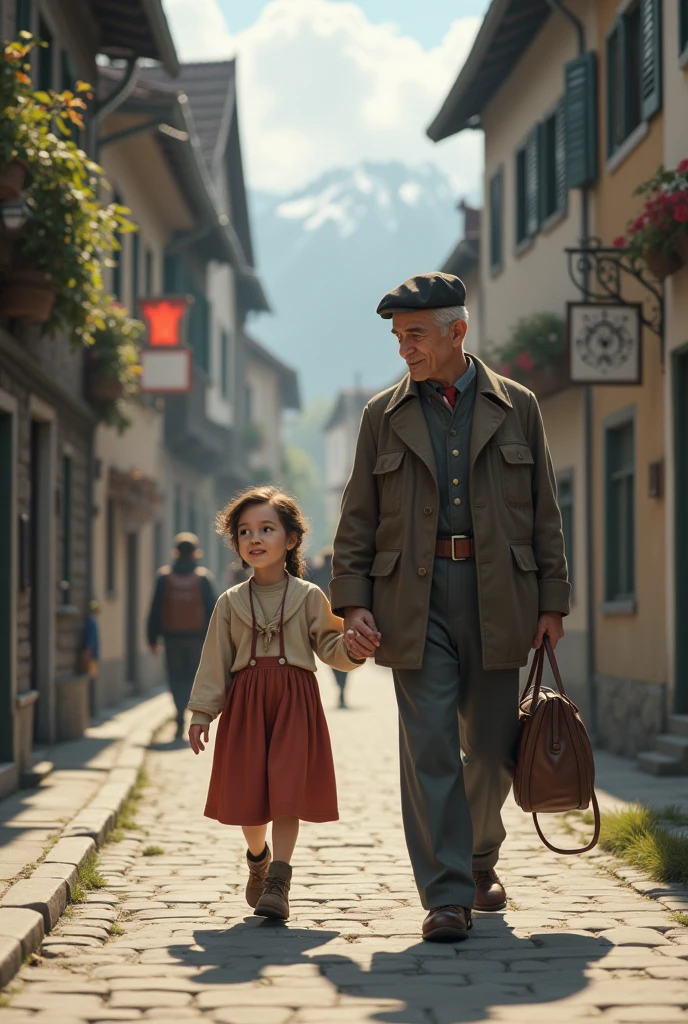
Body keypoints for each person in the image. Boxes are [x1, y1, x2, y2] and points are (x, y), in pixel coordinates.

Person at [331, 272, 570, 943]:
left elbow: (546, 514)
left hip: (502, 598)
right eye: (398, 337)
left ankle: (477, 859)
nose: (404, 348)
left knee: (491, 752)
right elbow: (358, 517)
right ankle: (445, 894)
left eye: (416, 335)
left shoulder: (518, 405)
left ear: (456, 332)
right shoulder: (382, 415)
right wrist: (351, 602)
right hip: (414, 599)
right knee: (430, 741)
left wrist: (553, 602)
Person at [186, 486, 361, 922]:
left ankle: (279, 882)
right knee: (249, 795)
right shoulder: (229, 602)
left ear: (291, 539)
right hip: (246, 705)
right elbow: (215, 662)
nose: (255, 538)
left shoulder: (307, 596)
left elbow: (330, 646)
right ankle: (258, 857)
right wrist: (202, 712)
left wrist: (356, 649)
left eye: (267, 528)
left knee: (287, 793)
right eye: (245, 531)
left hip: (295, 703)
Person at [147, 532, 216, 738]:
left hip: (172, 637)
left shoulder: (164, 577)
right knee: (194, 676)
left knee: (175, 677)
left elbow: (155, 608)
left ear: (175, 552)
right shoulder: (203, 578)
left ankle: (179, 716)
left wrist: (152, 638)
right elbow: (213, 611)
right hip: (197, 639)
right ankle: (193, 712)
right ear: (196, 553)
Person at [309, 547, 349, 708]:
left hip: (323, 618)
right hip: (341, 618)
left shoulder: (317, 572)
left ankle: (339, 686)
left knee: (330, 654)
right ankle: (342, 689)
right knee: (344, 654)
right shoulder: (340, 573)